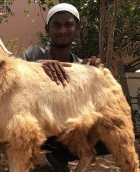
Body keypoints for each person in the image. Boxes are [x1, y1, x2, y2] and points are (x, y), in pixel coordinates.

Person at [22, 3, 106, 172]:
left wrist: (95, 77)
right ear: (47, 29)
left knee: (112, 135)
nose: (62, 31)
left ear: (77, 28)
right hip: (37, 127)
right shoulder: (34, 55)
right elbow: (15, 80)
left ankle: (59, 156)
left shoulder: (81, 65)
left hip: (66, 132)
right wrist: (36, 67)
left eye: (68, 25)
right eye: (56, 25)